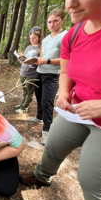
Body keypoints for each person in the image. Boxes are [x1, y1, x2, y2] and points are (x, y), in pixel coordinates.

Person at [20, 0, 101, 200]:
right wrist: (65, 93)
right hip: (77, 110)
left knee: (91, 179)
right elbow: (67, 72)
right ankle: (42, 176)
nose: (71, 3)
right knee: (54, 145)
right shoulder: (75, 33)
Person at [27, 8, 69, 144]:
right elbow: (42, 56)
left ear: (63, 20)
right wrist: (33, 59)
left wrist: (47, 61)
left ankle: (46, 130)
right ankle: (39, 117)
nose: (52, 24)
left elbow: (66, 60)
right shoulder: (45, 40)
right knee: (38, 97)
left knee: (47, 102)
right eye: (49, 22)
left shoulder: (65, 36)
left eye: (55, 21)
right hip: (39, 71)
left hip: (52, 74)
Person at [14, 27, 43, 114]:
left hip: (32, 73)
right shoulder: (28, 47)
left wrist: (33, 59)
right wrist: (21, 58)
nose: (32, 40)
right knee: (24, 90)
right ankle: (22, 104)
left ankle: (24, 107)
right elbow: (24, 57)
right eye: (30, 38)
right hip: (23, 71)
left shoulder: (40, 48)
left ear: (39, 38)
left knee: (29, 91)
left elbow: (40, 60)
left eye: (34, 38)